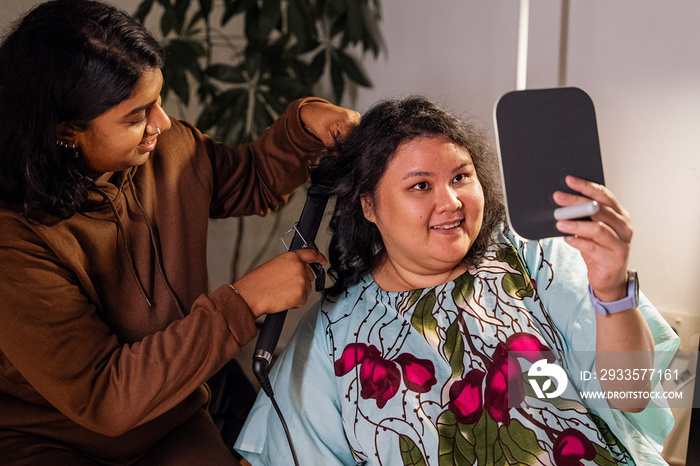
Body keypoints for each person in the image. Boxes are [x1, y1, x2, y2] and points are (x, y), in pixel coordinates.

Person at [0, 0, 360, 464]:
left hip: (172, 418)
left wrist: (306, 125)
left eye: (158, 101)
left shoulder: (167, 149)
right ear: (67, 132)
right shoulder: (14, 243)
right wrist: (245, 301)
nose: (162, 124)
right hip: (51, 442)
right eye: (136, 117)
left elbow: (250, 179)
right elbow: (107, 399)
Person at [235, 96, 680, 465]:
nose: (450, 202)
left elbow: (631, 392)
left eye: (460, 177)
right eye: (420, 186)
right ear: (368, 205)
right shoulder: (331, 336)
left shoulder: (533, 258)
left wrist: (612, 290)